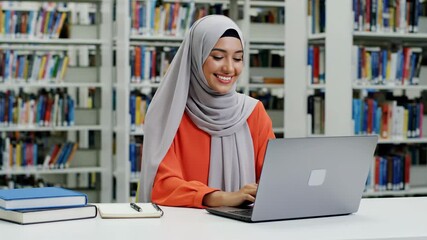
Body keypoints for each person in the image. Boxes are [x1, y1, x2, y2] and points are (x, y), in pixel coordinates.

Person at [136, 15, 275, 208]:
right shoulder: (168, 114)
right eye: (217, 57)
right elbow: (162, 186)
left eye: (237, 58)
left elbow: (273, 179)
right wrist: (221, 198)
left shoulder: (253, 112)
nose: (229, 68)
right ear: (196, 56)